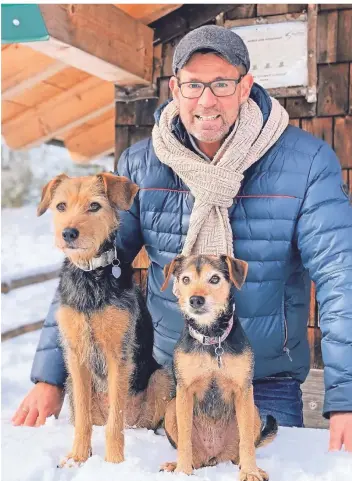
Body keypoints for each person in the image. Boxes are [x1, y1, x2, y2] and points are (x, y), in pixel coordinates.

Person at [12, 26, 352, 451]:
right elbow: (90, 264)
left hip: (259, 382)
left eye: (222, 83)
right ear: (175, 88)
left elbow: (343, 277)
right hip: (169, 382)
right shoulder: (141, 164)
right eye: (193, 84)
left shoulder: (305, 162)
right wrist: (50, 377)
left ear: (246, 85)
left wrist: (347, 400)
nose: (206, 101)